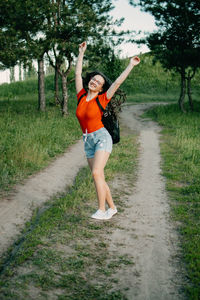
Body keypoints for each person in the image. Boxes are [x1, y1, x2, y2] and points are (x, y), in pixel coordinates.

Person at [75, 41, 140, 220]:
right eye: (94, 79)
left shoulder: (102, 99)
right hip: (87, 140)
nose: (95, 82)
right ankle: (112, 208)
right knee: (99, 176)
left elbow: (118, 82)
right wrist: (81, 53)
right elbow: (78, 73)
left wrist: (130, 66)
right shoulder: (81, 96)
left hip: (102, 137)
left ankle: (102, 210)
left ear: (102, 88)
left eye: (99, 82)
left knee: (96, 173)